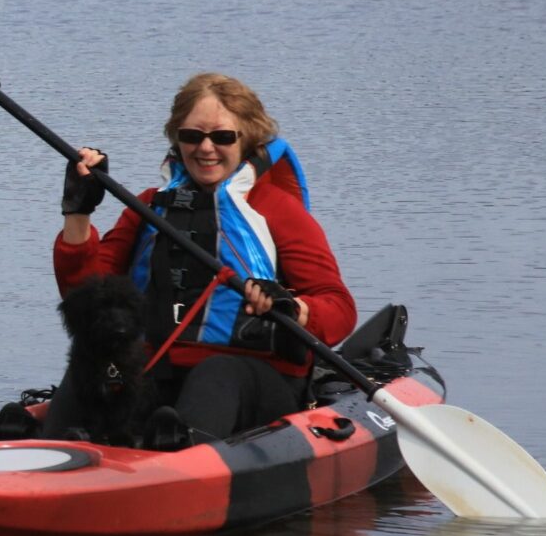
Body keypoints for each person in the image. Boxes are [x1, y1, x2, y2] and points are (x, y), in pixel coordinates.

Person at [53, 72, 356, 443]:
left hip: (254, 380)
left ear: (248, 139)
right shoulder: (148, 207)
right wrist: (77, 211)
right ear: (177, 139)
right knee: (92, 361)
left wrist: (293, 305)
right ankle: (42, 456)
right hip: (155, 372)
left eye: (222, 137)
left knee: (215, 372)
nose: (206, 148)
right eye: (192, 136)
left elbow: (340, 309)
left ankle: (180, 466)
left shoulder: (279, 211)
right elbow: (83, 297)